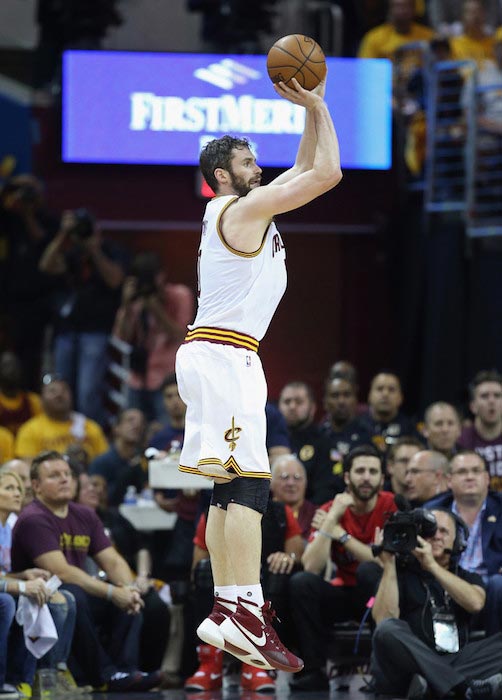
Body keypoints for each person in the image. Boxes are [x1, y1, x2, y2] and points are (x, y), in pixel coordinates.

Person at [175, 72, 342, 675]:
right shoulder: (237, 209)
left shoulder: (244, 208)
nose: (258, 167)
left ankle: (229, 607)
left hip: (225, 354)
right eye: (247, 161)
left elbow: (303, 167)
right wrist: (319, 101)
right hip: (223, 355)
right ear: (222, 174)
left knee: (230, 487)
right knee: (249, 484)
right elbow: (326, 176)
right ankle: (244, 608)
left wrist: (305, 114)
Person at [11, 450, 162, 691]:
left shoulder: (84, 514)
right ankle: (103, 675)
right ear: (37, 486)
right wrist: (113, 593)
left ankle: (125, 672)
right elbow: (63, 572)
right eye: (54, 476)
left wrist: (129, 589)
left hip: (76, 589)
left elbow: (112, 560)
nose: (64, 479)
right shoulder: (34, 518)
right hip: (39, 598)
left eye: (67, 474)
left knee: (142, 599)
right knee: (75, 595)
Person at [288, 445, 397, 691]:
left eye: (373, 471)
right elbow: (311, 566)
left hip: (377, 595)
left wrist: (342, 536)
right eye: (360, 471)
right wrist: (331, 521)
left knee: (368, 572)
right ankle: (314, 670)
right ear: (347, 477)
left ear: (382, 478)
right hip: (343, 594)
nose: (366, 477)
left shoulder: (391, 506)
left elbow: (381, 562)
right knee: (301, 583)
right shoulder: (330, 509)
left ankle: (382, 672)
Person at [371, 508, 502, 700]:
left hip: (454, 659)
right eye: (429, 531)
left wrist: (431, 565)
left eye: (443, 531)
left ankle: (433, 686)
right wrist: (389, 564)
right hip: (410, 665)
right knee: (387, 629)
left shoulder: (467, 576)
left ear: (458, 541)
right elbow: (383, 620)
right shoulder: (400, 573)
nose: (435, 536)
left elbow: (475, 603)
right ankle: (462, 687)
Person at [38, 208, 128, 427]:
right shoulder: (71, 253)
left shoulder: (110, 250)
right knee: (60, 387)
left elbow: (115, 280)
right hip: (66, 330)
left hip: (96, 330)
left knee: (88, 391)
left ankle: (89, 435)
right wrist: (63, 235)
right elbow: (46, 266)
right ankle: (61, 433)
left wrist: (95, 250)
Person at [0, 470, 80, 697]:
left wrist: (25, 575)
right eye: (8, 488)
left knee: (65, 598)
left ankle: (47, 674)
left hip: (6, 586)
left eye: (18, 488)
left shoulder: (7, 527)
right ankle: (8, 679)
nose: (17, 493)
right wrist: (23, 586)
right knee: (9, 602)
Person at [427, 450, 502, 636]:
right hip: (448, 579)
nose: (469, 477)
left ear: (486, 478)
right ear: (449, 480)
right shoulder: (431, 512)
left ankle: (494, 651)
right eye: (462, 472)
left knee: (498, 584)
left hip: (491, 586)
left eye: (476, 471)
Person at [112, 252, 194, 423]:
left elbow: (180, 334)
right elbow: (122, 337)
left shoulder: (180, 295)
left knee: (167, 430)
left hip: (168, 378)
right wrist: (126, 305)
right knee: (133, 432)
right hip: (138, 378)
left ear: (161, 276)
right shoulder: (135, 301)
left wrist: (155, 308)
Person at [278, 381, 344, 504]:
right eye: (287, 402)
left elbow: (328, 489)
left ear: (312, 408)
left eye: (299, 402)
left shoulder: (325, 444)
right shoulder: (268, 442)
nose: (292, 406)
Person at [15, 376, 108, 462]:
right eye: (52, 391)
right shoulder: (30, 430)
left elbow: (104, 464)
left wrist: (85, 456)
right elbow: (27, 469)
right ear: (41, 399)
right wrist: (64, 458)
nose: (59, 394)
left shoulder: (90, 426)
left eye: (64, 390)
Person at [88, 408, 147, 507]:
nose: (137, 425)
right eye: (130, 420)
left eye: (141, 422)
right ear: (116, 428)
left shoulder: (143, 461)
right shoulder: (101, 463)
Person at [459, 370, 502, 490]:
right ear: (473, 406)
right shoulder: (460, 439)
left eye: (497, 395)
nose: (491, 401)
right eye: (484, 396)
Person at [357, 372, 417, 452]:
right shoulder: (357, 426)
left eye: (391, 389)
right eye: (379, 389)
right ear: (369, 395)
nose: (385, 394)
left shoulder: (410, 429)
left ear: (400, 397)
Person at [322, 374, 372, 470]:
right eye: (335, 396)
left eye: (347, 395)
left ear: (355, 400)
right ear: (325, 402)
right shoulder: (318, 435)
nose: (341, 401)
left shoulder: (367, 436)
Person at [357, 0, 434, 62]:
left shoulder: (429, 37)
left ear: (414, 9)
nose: (402, 11)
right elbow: (365, 69)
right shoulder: (373, 38)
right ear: (390, 9)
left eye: (406, 6)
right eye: (398, 6)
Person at [270, 454, 316, 540]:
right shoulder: (263, 515)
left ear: (306, 483)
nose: (291, 483)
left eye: (297, 478)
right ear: (270, 482)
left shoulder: (316, 515)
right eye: (284, 477)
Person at [0, 352, 42, 437]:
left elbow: (42, 432)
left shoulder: (33, 400)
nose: (11, 370)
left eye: (15, 365)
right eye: (6, 366)